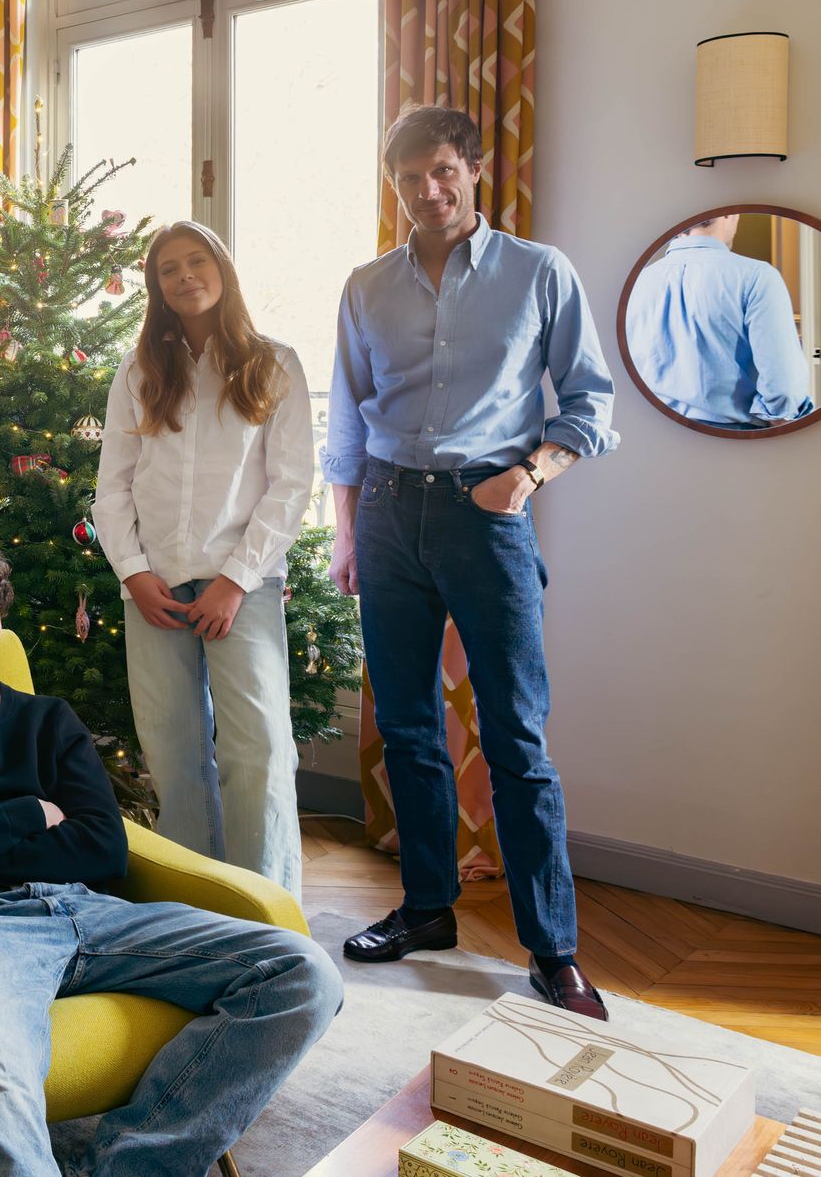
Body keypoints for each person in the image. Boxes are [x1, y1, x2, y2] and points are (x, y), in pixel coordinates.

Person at [0, 535, 343, 1177]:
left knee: (303, 973)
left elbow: (104, 848)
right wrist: (29, 813)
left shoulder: (48, 720)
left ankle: (125, 1165)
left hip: (93, 913)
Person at [322, 105, 619, 1019]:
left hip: (485, 515)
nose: (427, 191)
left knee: (515, 737)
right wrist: (344, 530)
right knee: (408, 728)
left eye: (443, 170)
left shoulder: (540, 273)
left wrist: (524, 477)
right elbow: (345, 419)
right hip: (385, 512)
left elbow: (592, 406)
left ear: (474, 169)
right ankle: (425, 909)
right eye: (409, 177)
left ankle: (552, 947)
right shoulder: (367, 286)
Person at [93, 222, 314, 897]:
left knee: (258, 749)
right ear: (157, 287)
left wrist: (234, 581)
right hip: (153, 584)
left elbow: (290, 485)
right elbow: (113, 484)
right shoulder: (139, 371)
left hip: (239, 586)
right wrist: (133, 571)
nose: (185, 276)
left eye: (197, 261)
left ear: (223, 268)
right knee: (171, 751)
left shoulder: (274, 364)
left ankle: (267, 906)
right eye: (168, 269)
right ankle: (200, 902)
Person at [625, 213, 814, 429]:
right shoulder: (757, 276)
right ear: (728, 214)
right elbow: (784, 386)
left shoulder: (638, 281)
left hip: (651, 435)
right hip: (733, 442)